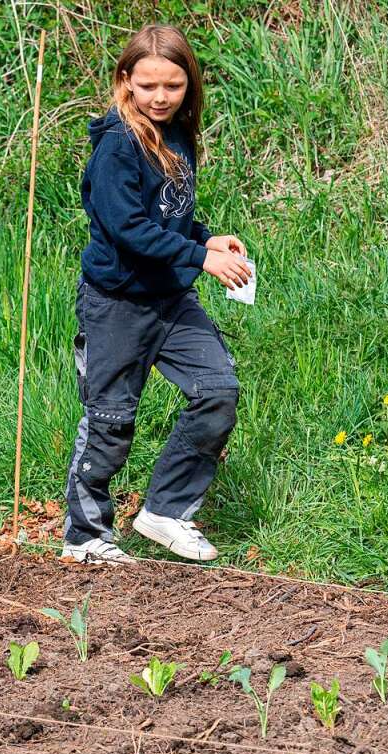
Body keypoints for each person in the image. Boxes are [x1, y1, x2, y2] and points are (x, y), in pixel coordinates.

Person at [63, 24, 251, 565]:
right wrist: (202, 258)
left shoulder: (177, 137)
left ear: (188, 84)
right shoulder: (118, 147)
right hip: (117, 302)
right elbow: (130, 230)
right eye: (148, 86)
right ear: (126, 81)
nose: (160, 97)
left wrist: (204, 237)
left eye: (172, 86)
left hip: (171, 299)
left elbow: (167, 217)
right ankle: (85, 536)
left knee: (218, 390)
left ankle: (165, 511)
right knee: (111, 421)